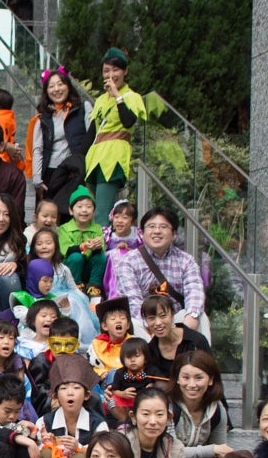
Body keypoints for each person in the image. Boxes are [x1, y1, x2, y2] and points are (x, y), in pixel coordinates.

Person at [115, 207, 207, 335]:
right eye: (151, 226)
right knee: (134, 323)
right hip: (146, 324)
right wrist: (155, 327)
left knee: (200, 317)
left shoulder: (186, 261)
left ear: (174, 233)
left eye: (164, 227)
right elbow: (133, 303)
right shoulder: (128, 262)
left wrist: (187, 325)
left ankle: (194, 348)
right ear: (142, 232)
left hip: (175, 322)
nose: (157, 231)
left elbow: (194, 292)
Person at [83, 47, 145, 216]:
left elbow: (128, 121)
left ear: (125, 71)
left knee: (101, 214)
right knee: (89, 213)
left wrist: (117, 95)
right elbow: (91, 133)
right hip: (94, 159)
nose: (110, 75)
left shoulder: (132, 97)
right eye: (106, 70)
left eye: (115, 69)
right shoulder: (101, 100)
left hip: (113, 158)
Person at [29, 68, 90, 208]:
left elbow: (92, 139)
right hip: (51, 174)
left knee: (75, 212)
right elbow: (38, 149)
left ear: (68, 85)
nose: (56, 89)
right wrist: (37, 179)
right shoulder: (43, 118)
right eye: (51, 86)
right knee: (50, 214)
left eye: (60, 84)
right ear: (46, 91)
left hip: (75, 172)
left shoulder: (83, 109)